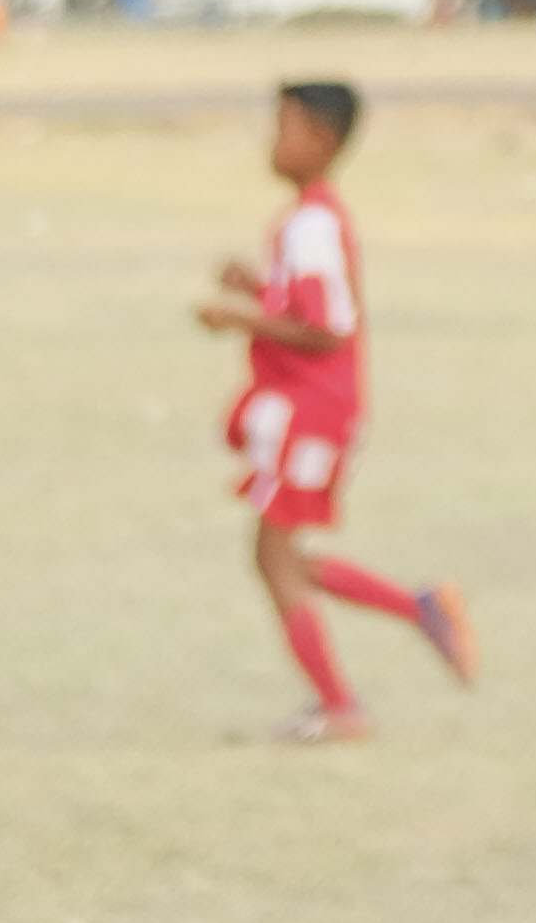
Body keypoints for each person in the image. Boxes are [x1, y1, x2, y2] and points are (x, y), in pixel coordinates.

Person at [190, 80, 476, 741]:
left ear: (320, 140)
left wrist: (239, 318)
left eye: (284, 127)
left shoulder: (312, 224)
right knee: (275, 555)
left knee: (275, 554)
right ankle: (413, 618)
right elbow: (308, 309)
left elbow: (326, 329)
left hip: (311, 409)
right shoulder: (306, 220)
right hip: (305, 407)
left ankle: (347, 699)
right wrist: (257, 290)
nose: (272, 140)